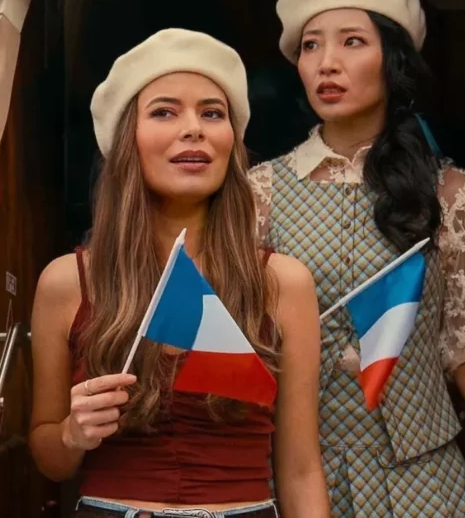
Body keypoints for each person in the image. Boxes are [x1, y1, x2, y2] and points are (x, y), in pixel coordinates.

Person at [248, 0, 465, 517]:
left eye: (352, 42)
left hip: (424, 480)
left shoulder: (452, 193)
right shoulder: (257, 192)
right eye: (311, 46)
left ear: (392, 62)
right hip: (295, 477)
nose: (327, 63)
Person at [28, 28, 329, 518]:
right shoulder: (65, 281)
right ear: (126, 141)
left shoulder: (283, 282)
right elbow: (49, 459)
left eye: (212, 113)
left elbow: (300, 469)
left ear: (232, 141)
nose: (194, 129)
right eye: (165, 112)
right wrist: (71, 433)